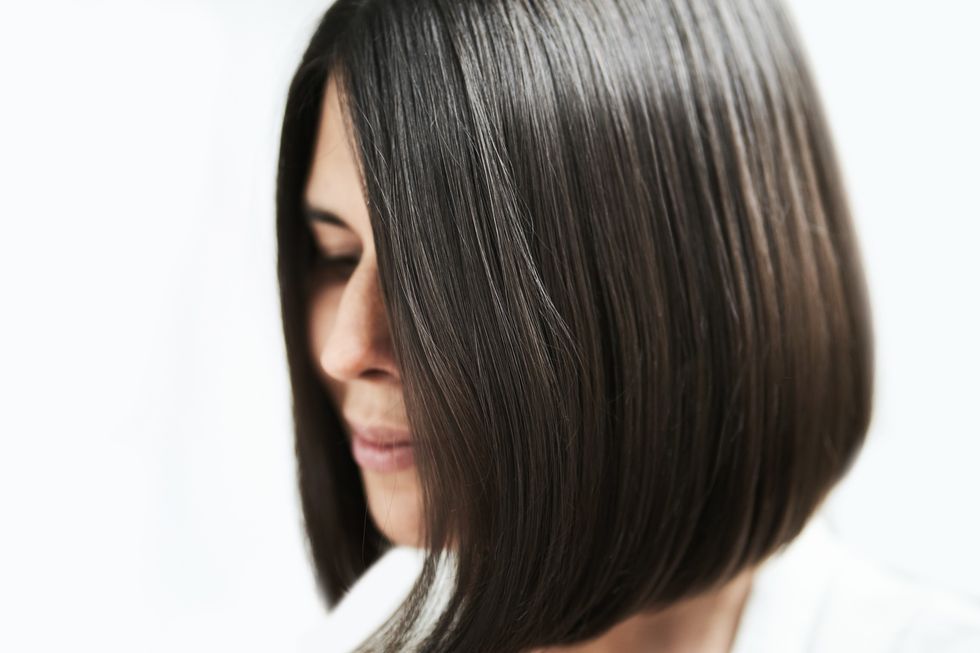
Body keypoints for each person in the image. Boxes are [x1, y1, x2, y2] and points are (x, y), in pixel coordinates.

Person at [276, 1, 980, 651]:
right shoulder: (373, 627)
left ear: (672, 296)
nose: (346, 349)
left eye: (440, 276)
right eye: (337, 258)